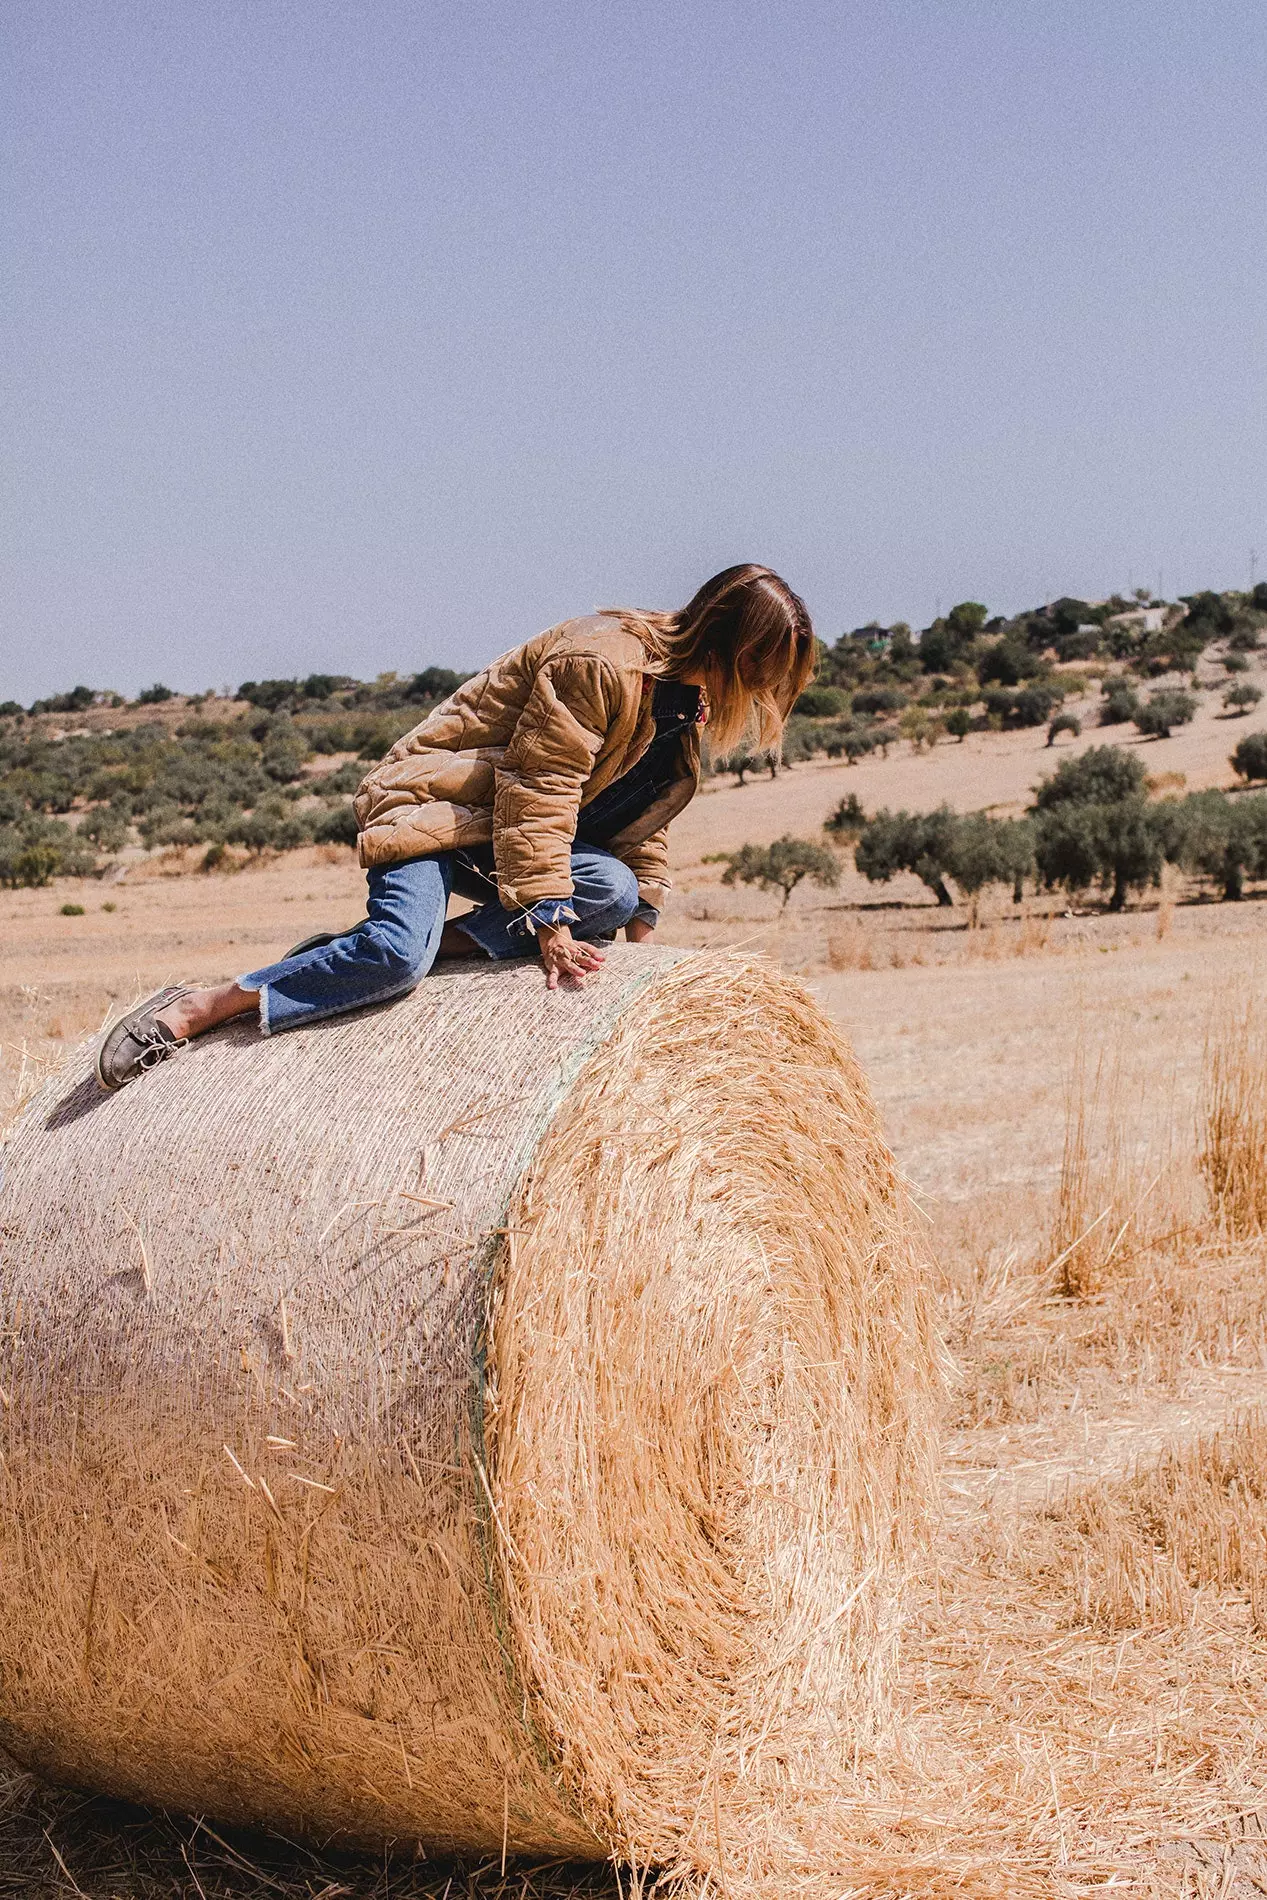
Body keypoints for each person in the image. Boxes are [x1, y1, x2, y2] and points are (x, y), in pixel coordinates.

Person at [96, 564, 815, 1090]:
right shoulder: (599, 661)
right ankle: (201, 1006)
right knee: (401, 961)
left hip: (501, 833)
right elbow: (540, 784)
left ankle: (350, 957)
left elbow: (638, 814)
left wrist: (643, 962)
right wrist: (550, 923)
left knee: (614, 890)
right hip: (433, 807)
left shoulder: (680, 699)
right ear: (734, 647)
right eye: (767, 673)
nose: (764, 694)